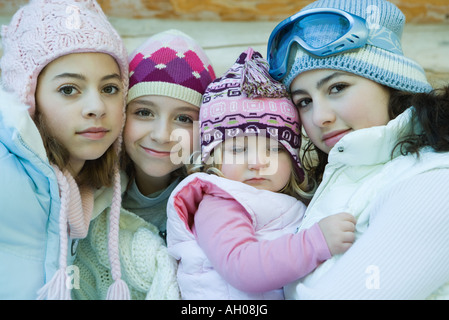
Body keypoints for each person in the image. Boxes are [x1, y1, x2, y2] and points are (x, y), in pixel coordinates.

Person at [266, 0, 449, 299]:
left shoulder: (434, 182)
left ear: (390, 82)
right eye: (304, 101)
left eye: (337, 87)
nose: (318, 117)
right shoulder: (341, 182)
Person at [166, 48, 356, 300]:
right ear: (212, 157)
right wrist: (316, 242)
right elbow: (241, 267)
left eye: (275, 149)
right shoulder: (221, 203)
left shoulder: (278, 200)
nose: (257, 162)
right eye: (238, 149)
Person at [72, 29, 216, 300]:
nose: (162, 134)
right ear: (121, 116)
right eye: (144, 112)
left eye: (184, 118)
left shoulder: (213, 204)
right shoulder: (86, 197)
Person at [0, 0, 130, 299]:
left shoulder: (90, 185)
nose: (97, 107)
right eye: (69, 89)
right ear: (28, 98)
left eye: (109, 88)